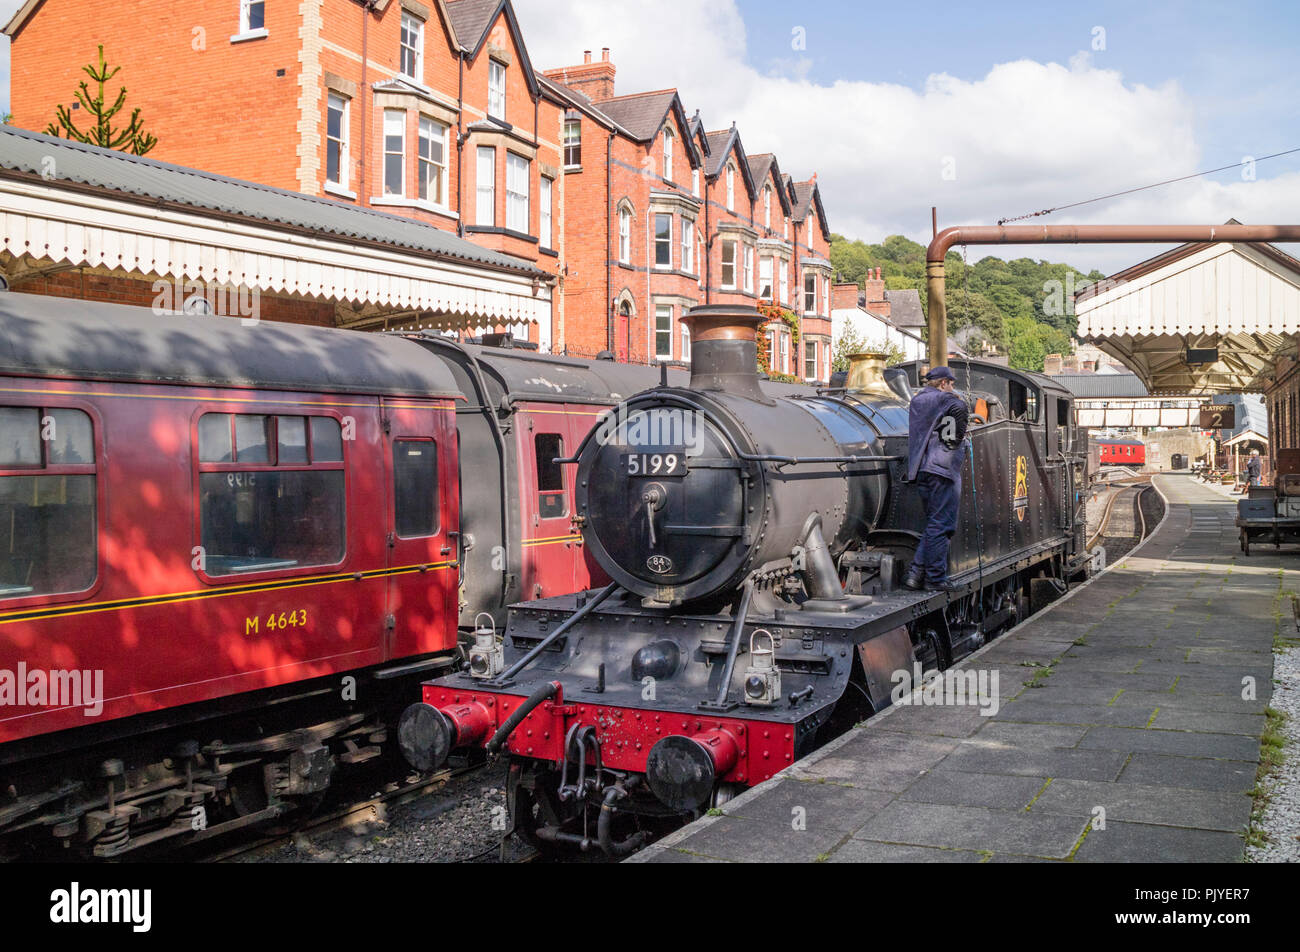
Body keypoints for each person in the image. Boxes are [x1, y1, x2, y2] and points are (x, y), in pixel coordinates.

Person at [904, 366, 969, 593]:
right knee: (943, 525)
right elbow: (959, 406)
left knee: (933, 524)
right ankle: (935, 578)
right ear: (943, 383)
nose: (952, 388)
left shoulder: (917, 400)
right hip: (942, 469)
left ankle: (915, 575)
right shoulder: (944, 399)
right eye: (951, 384)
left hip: (921, 469)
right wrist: (957, 437)